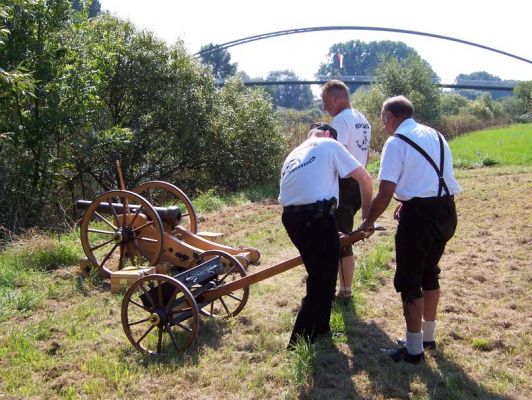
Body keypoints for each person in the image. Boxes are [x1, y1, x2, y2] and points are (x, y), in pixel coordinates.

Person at [359, 95, 461, 363]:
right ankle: (427, 338)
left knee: (410, 280)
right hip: (447, 211)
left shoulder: (396, 142)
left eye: (383, 122)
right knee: (430, 273)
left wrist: (368, 220)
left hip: (420, 219)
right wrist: (406, 203)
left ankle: (413, 350)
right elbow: (429, 178)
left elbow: (384, 192)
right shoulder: (436, 135)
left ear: (390, 118)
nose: (384, 128)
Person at [279, 122, 373, 348]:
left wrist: (330, 233)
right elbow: (365, 179)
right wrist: (367, 220)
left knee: (323, 274)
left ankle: (321, 329)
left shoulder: (295, 153)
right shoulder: (330, 144)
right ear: (329, 134)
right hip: (317, 217)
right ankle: (299, 341)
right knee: (322, 280)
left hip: (292, 218)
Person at [321, 80, 372, 302]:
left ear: (335, 99)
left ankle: (344, 292)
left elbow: (332, 154)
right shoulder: (362, 119)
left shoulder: (340, 121)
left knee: (341, 240)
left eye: (325, 102)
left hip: (342, 185)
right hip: (357, 183)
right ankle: (340, 288)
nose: (325, 108)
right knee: (343, 236)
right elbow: (366, 155)